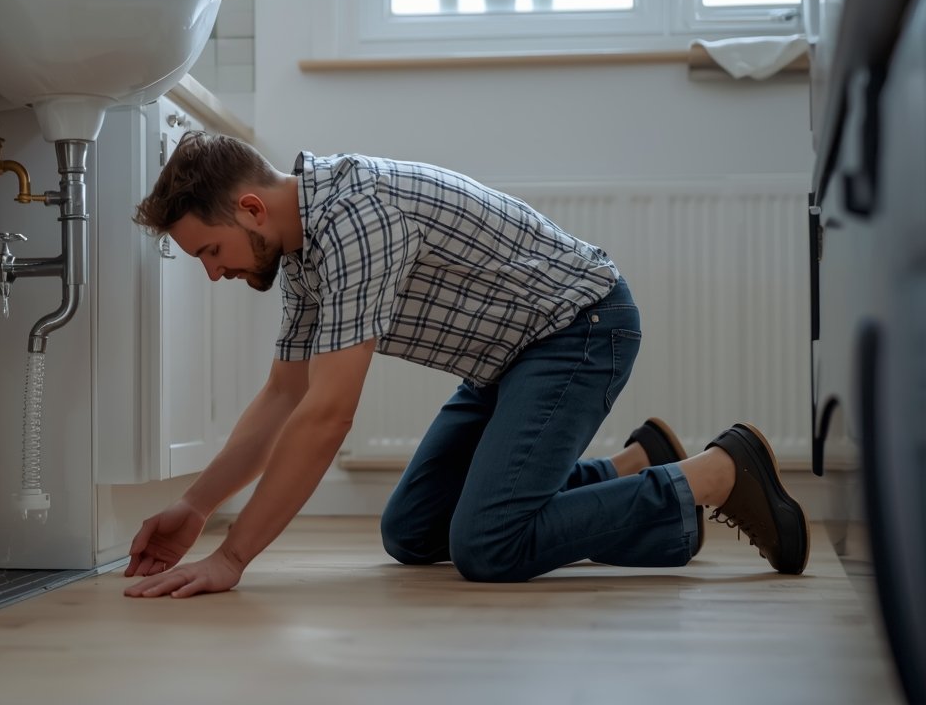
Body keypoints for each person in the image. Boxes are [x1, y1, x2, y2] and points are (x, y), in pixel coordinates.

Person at [122, 131, 809, 599]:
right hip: (506, 362)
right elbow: (283, 396)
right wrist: (195, 505)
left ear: (250, 208)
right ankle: (630, 467)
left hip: (579, 329)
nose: (213, 273)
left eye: (210, 251)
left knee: (489, 545)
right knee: (412, 531)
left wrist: (232, 557)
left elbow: (327, 416)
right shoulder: (303, 249)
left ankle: (716, 474)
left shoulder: (356, 218)